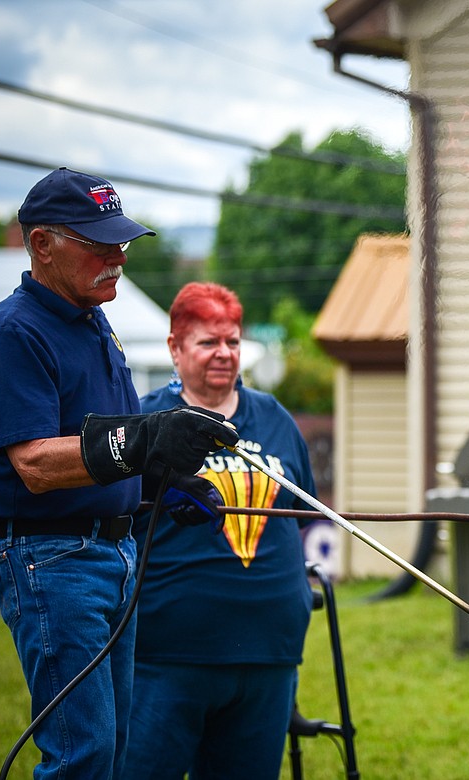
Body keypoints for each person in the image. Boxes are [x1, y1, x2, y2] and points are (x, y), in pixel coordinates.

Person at [0, 167, 237, 779]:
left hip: (111, 553)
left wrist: (160, 483)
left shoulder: (95, 320)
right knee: (83, 754)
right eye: (97, 243)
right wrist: (150, 437)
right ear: (41, 245)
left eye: (121, 240)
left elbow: (104, 446)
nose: (117, 257)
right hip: (52, 562)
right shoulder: (14, 332)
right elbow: (37, 464)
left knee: (113, 750)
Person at [124, 282, 318, 779]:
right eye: (208, 342)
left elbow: (302, 516)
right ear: (175, 347)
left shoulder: (274, 418)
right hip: (166, 655)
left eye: (232, 341)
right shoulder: (147, 422)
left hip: (268, 654)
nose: (224, 354)